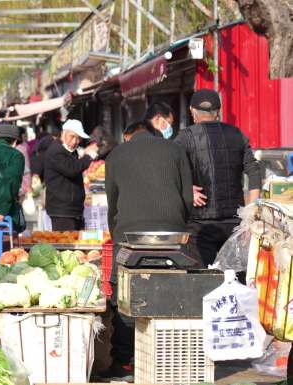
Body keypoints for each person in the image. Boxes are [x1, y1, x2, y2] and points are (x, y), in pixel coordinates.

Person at [104, 120, 194, 379]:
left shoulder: (115, 154)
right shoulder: (175, 150)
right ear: (153, 133)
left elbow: (113, 203)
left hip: (129, 235)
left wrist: (117, 234)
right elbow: (187, 197)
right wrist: (179, 225)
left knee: (124, 295)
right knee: (171, 292)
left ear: (127, 135)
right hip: (172, 234)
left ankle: (124, 362)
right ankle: (172, 358)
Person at [174, 89, 262, 265]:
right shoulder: (237, 134)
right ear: (218, 112)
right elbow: (254, 172)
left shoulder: (184, 137)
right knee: (234, 280)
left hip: (199, 224)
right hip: (234, 223)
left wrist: (188, 190)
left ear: (192, 110)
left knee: (203, 279)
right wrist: (250, 215)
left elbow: (168, 170)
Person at [43, 119, 99, 231]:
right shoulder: (56, 151)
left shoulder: (69, 151)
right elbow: (72, 169)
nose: (75, 141)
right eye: (72, 136)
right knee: (67, 244)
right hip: (62, 211)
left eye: (78, 138)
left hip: (72, 210)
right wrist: (88, 157)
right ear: (63, 134)